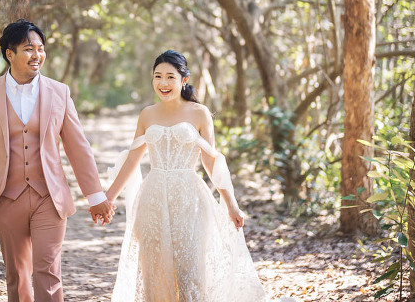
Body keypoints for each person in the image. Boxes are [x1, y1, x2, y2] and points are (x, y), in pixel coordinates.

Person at [105, 50, 293, 302]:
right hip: (152, 199)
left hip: (189, 199)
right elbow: (132, 159)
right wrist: (107, 198)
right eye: (158, 76)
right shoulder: (147, 114)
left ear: (184, 80)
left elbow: (211, 160)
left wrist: (231, 205)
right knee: (155, 272)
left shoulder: (199, 113)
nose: (163, 83)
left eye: (170, 77)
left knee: (190, 272)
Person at [0, 19, 115, 302]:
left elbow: (78, 147)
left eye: (41, 48)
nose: (37, 55)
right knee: (17, 276)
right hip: (5, 199)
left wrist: (96, 196)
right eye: (28, 49)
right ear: (9, 54)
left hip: (49, 198)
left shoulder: (59, 92)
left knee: (48, 272)